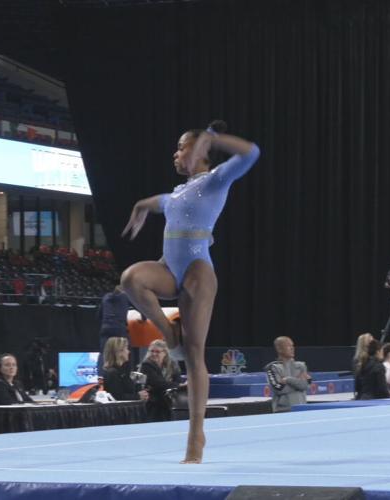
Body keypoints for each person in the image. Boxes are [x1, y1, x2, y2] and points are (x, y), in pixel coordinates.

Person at [120, 120, 259, 463]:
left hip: (199, 270)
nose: (176, 153)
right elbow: (151, 202)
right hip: (169, 269)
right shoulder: (176, 194)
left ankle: (196, 435)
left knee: (195, 356)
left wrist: (213, 138)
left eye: (182, 147)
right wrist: (139, 207)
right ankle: (170, 334)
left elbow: (251, 152)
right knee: (130, 279)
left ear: (200, 154)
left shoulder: (215, 181)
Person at [140, 339, 182, 422]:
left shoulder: (172, 365)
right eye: (151, 351)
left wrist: (175, 385)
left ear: (165, 353)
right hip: (154, 404)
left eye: (157, 352)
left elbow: (177, 381)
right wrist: (176, 385)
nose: (154, 354)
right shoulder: (146, 365)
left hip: (169, 403)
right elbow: (158, 384)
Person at [265, 336, 311, 412]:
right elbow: (279, 389)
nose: (292, 348)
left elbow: (304, 386)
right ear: (279, 349)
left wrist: (288, 379)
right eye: (288, 346)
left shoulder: (301, 366)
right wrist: (298, 384)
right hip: (283, 411)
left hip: (302, 409)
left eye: (292, 346)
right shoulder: (272, 368)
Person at [102, 337, 149, 401]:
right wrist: (138, 396)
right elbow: (117, 398)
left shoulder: (123, 370)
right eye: (126, 348)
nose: (128, 352)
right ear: (119, 351)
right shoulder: (112, 373)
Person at [97, 286, 131, 369]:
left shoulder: (105, 297)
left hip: (106, 328)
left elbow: (98, 315)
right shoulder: (126, 297)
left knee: (104, 352)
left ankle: (102, 374)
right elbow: (139, 306)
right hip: (119, 328)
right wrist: (144, 317)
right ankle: (123, 371)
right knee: (124, 349)